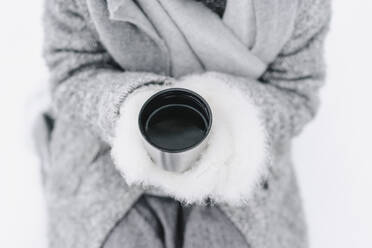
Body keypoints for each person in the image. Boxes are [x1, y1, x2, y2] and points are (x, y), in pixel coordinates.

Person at [37, 0, 331, 247]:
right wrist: (130, 107)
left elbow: (296, 92)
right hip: (107, 151)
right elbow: (72, 74)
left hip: (241, 158)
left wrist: (228, 114)